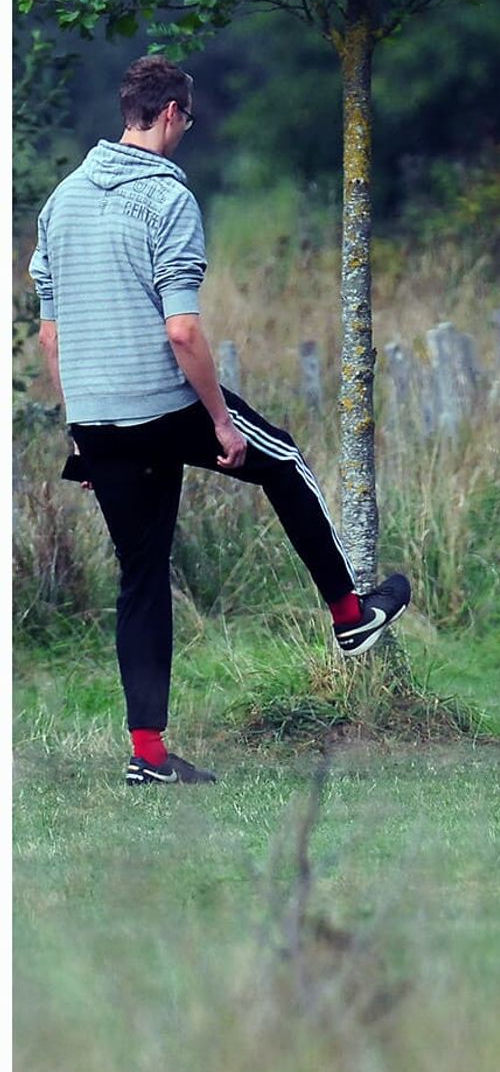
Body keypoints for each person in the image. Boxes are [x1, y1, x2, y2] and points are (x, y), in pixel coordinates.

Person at [29, 54, 410, 786]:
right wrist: (220, 425)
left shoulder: (63, 200)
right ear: (172, 113)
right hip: (164, 404)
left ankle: (148, 757)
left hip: (98, 419)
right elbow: (182, 334)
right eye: (189, 120)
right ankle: (350, 614)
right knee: (285, 459)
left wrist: (83, 432)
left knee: (141, 576)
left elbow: (52, 335)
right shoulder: (167, 198)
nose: (187, 132)